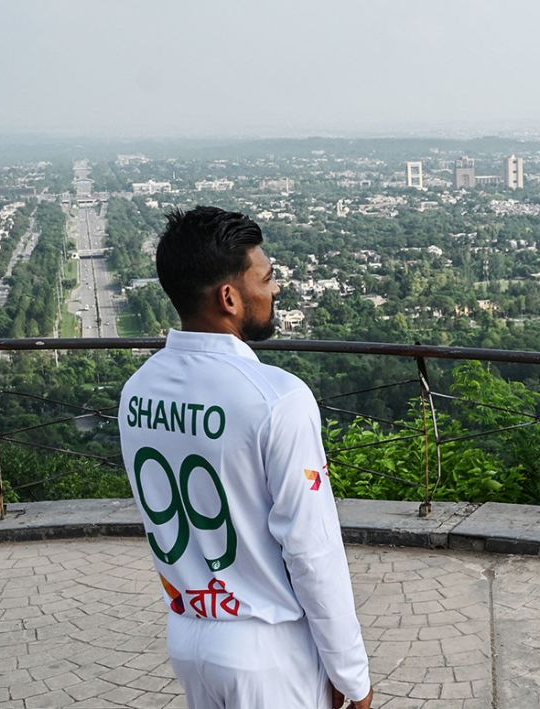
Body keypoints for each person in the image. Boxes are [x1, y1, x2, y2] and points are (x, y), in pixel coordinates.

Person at [118, 206, 372, 709]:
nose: (274, 290)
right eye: (268, 278)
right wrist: (351, 673)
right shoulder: (276, 398)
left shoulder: (138, 390)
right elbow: (311, 550)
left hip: (189, 636)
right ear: (229, 297)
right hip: (267, 650)